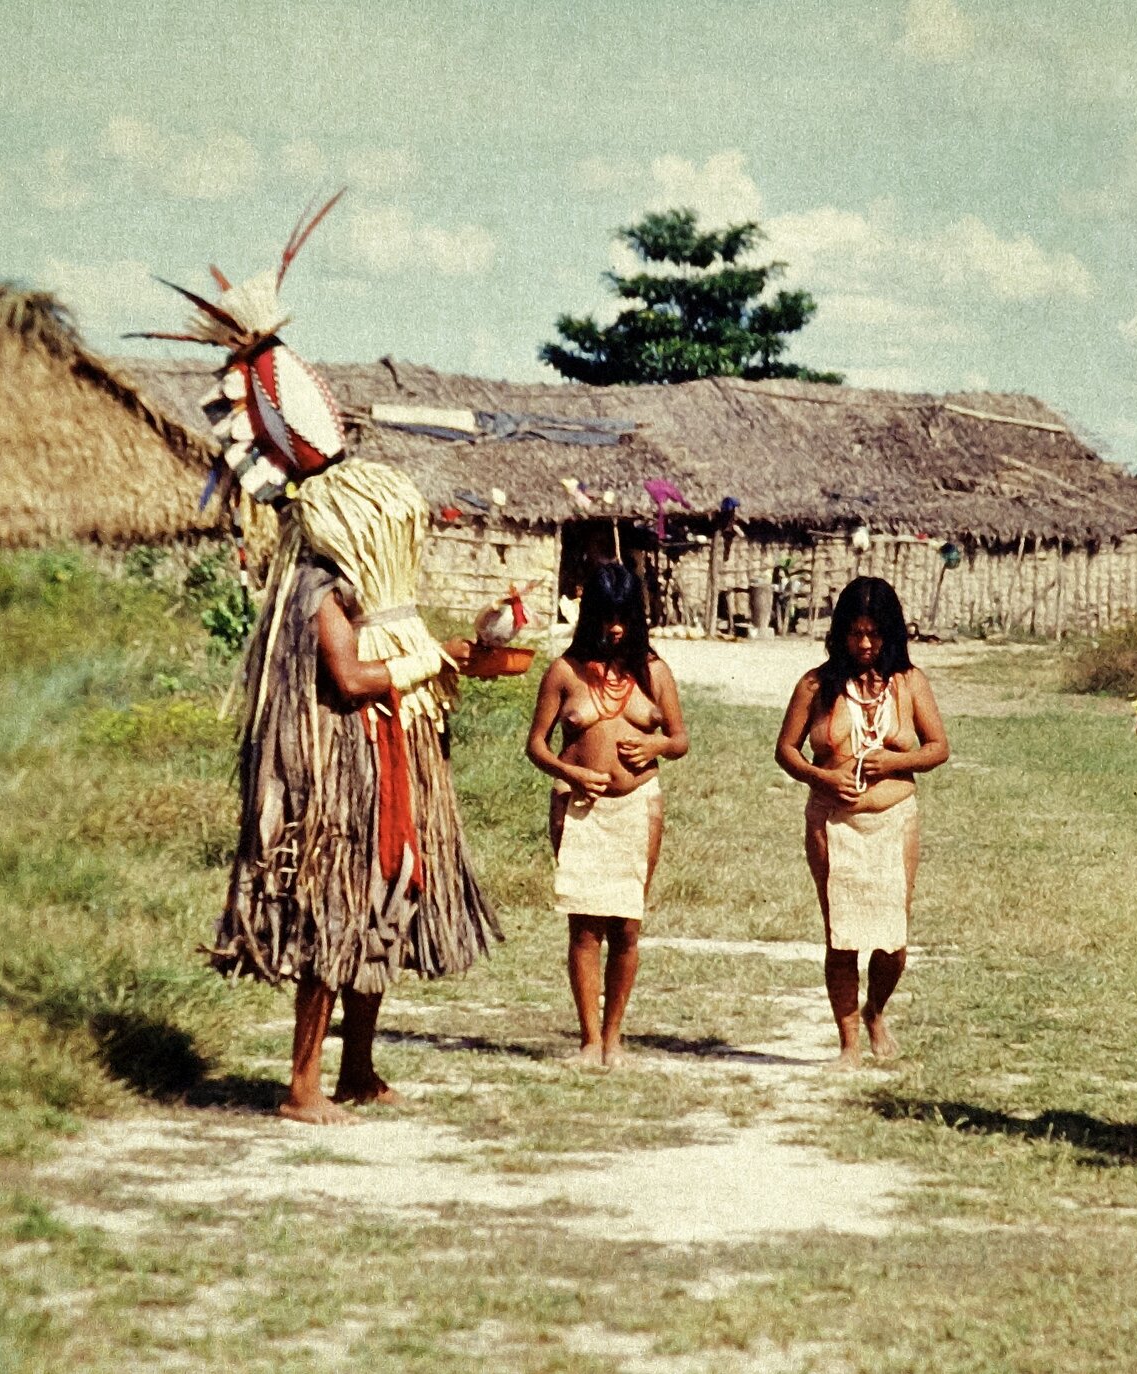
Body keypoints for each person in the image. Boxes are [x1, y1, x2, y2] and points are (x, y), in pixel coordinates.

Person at [154, 200, 501, 1126]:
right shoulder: (315, 587)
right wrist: (424, 663)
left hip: (388, 757)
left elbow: (386, 653)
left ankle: (355, 1069)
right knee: (335, 916)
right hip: (336, 772)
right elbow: (349, 680)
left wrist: (449, 650)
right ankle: (303, 1085)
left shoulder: (357, 586)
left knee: (384, 908)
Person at [775, 577, 948, 1068]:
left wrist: (892, 763)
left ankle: (875, 1011)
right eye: (856, 634)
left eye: (874, 634)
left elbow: (938, 748)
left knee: (893, 938)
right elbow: (785, 750)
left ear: (891, 633)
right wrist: (821, 777)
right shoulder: (815, 684)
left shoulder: (909, 683)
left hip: (894, 820)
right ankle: (849, 1041)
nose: (866, 645)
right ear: (840, 634)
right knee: (841, 935)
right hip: (832, 822)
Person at [526, 561, 687, 1067]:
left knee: (627, 926)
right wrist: (570, 773)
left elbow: (679, 740)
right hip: (580, 808)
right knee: (584, 926)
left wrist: (657, 741)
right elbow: (535, 746)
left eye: (623, 617)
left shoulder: (653, 671)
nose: (615, 627)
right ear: (589, 615)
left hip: (639, 806)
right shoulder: (563, 672)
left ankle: (615, 1039)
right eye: (605, 616)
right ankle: (589, 1041)